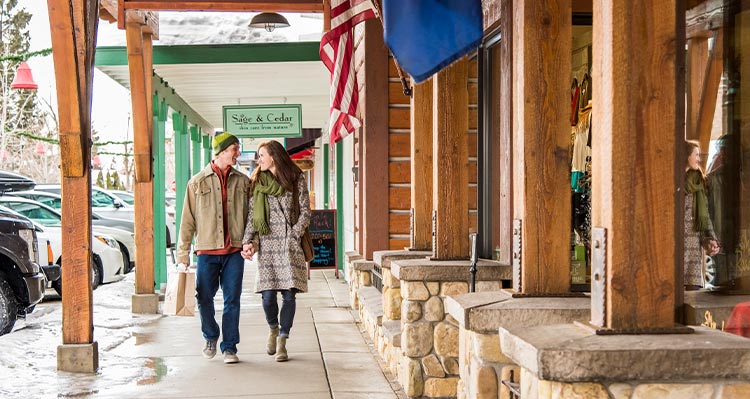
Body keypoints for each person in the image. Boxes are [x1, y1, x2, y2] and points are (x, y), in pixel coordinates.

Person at [176, 132, 250, 364]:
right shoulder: (197, 182)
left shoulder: (243, 181)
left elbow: (251, 217)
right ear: (221, 152)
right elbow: (187, 220)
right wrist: (183, 254)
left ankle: (230, 347)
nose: (238, 153)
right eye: (234, 149)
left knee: (232, 300)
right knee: (203, 297)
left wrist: (252, 242)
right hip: (207, 251)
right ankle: (210, 335)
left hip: (234, 252)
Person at [241, 140, 310, 362]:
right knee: (268, 296)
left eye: (262, 155)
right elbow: (253, 216)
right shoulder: (258, 181)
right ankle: (273, 327)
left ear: (274, 156)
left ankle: (282, 339)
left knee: (289, 295)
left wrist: (295, 234)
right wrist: (247, 241)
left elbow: (306, 211)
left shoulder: (296, 178)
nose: (258, 159)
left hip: (289, 246)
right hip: (268, 245)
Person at [684, 140, 720, 290]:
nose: (699, 159)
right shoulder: (672, 181)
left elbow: (705, 216)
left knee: (693, 302)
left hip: (693, 257)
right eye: (696, 155)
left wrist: (711, 239)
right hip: (675, 253)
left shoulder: (699, 181)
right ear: (686, 156)